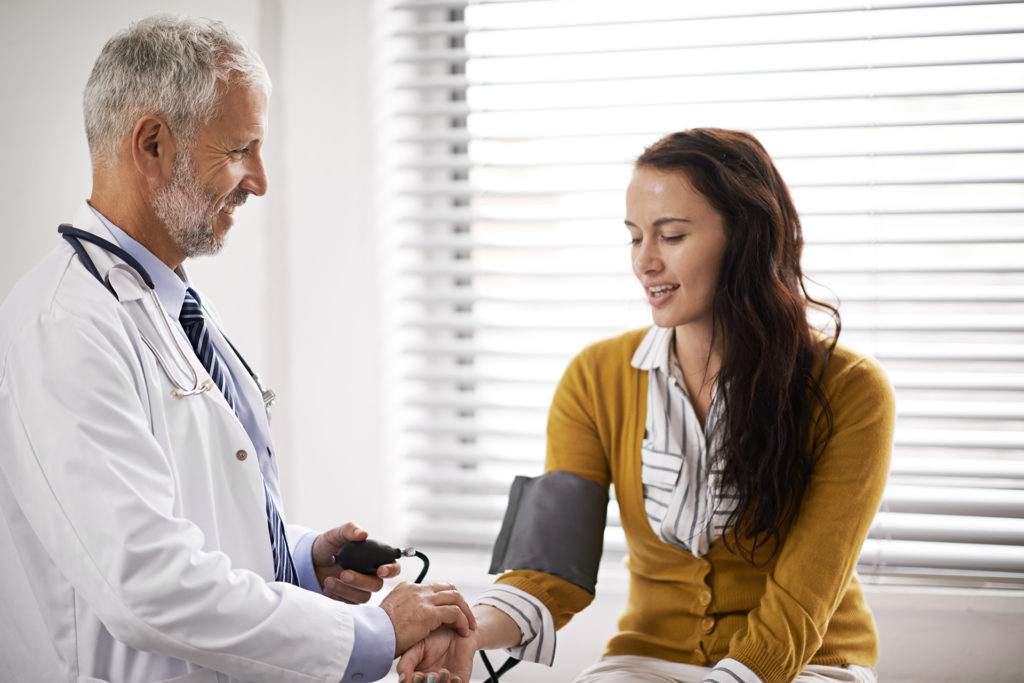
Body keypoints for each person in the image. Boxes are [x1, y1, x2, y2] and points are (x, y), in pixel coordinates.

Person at [0, 15, 474, 683]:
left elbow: (195, 509)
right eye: (240, 149)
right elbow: (151, 585)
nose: (259, 181)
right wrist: (375, 631)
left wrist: (300, 557)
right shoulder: (65, 328)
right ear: (153, 144)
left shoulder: (173, 304)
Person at [398, 128, 896, 683]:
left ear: (748, 238)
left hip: (803, 664)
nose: (645, 262)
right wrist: (465, 627)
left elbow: (804, 600)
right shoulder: (595, 376)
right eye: (636, 238)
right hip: (647, 660)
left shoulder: (850, 389)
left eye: (672, 235)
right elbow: (551, 566)